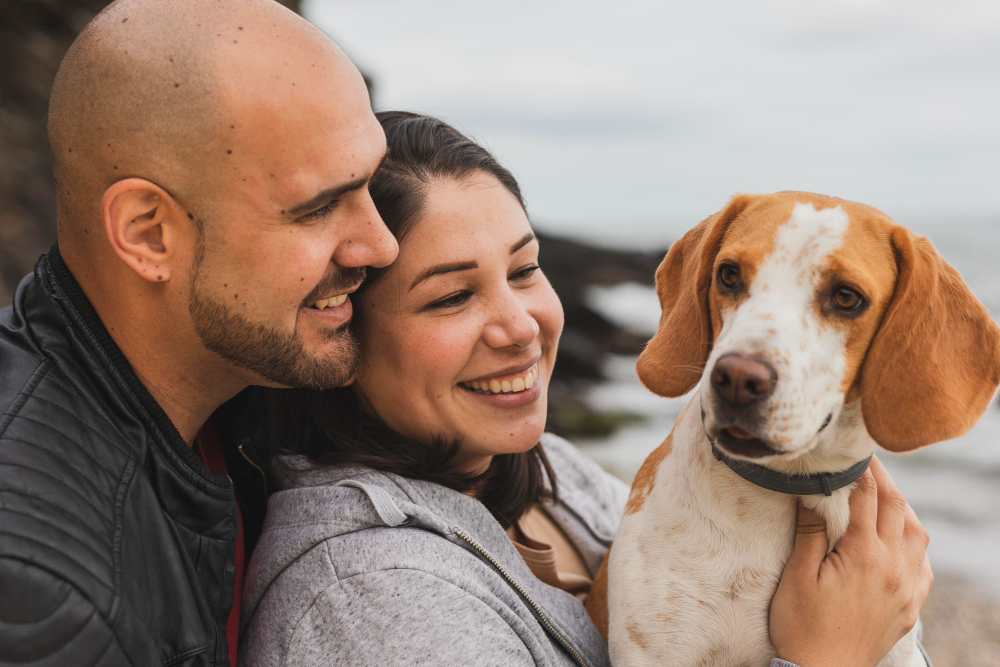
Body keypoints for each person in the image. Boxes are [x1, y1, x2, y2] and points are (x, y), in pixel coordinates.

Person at [241, 112, 933, 666]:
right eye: (451, 296)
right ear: (341, 332)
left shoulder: (548, 470)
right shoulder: (371, 602)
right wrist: (834, 656)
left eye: (524, 269)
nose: (521, 328)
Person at [0, 0, 397, 664]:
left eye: (371, 185)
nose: (379, 245)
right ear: (148, 233)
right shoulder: (44, 595)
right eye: (320, 206)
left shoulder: (245, 392)